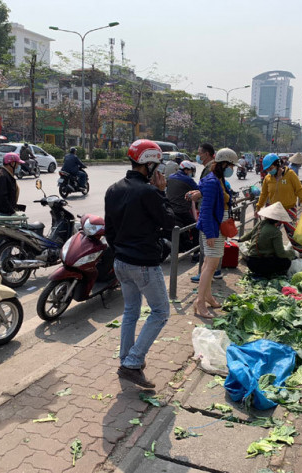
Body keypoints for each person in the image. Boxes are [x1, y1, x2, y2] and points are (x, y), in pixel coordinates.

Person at [105, 139, 175, 389]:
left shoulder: (113, 189)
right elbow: (168, 222)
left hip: (121, 261)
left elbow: (109, 230)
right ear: (149, 164)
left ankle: (127, 360)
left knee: (131, 312)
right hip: (143, 263)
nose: (159, 169)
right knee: (160, 312)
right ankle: (132, 363)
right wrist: (162, 192)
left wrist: (120, 252)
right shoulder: (149, 192)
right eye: (156, 164)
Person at [194, 148, 238, 318]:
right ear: (224, 164)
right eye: (231, 165)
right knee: (211, 265)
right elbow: (205, 210)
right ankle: (199, 302)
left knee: (209, 264)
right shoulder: (213, 182)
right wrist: (211, 234)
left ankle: (208, 296)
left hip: (217, 227)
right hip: (213, 228)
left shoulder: (218, 180)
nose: (232, 169)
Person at [255, 153, 302, 256]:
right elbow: (264, 194)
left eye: (271, 168)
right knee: (269, 232)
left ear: (278, 164)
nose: (270, 171)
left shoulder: (291, 174)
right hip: (274, 211)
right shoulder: (268, 179)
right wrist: (258, 207)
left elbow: (299, 189)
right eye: (268, 169)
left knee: (292, 233)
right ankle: (269, 253)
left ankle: (300, 253)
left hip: (289, 209)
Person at [188, 143, 223, 281]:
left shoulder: (211, 169)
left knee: (208, 249)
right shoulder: (211, 169)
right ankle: (211, 273)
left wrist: (198, 194)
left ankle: (208, 275)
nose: (198, 156)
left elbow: (208, 199)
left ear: (207, 154)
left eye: (199, 153)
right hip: (211, 213)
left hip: (209, 214)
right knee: (211, 251)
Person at [240, 202, 297, 278]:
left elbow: (249, 235)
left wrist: (240, 240)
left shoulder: (261, 223)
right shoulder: (276, 232)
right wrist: (292, 253)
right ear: (278, 220)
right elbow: (281, 253)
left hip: (250, 262)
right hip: (260, 264)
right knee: (286, 262)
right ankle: (266, 274)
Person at [166, 161, 199, 252]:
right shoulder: (188, 180)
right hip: (182, 211)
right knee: (195, 228)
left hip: (169, 209)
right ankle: (196, 253)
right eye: (190, 171)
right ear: (186, 170)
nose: (191, 173)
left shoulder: (170, 177)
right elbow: (199, 190)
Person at [0, 152, 23, 217]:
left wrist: (16, 207)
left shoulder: (8, 175)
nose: (18, 166)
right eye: (17, 164)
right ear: (12, 163)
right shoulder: (2, 176)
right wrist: (12, 212)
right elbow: (2, 198)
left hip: (3, 210)